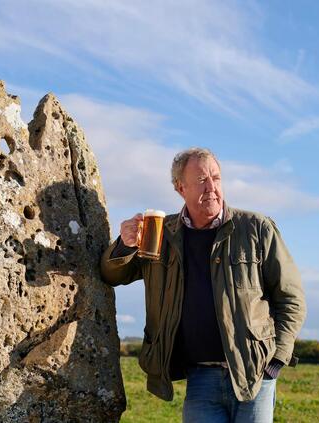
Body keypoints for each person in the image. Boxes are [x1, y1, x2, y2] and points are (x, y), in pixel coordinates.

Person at [100, 147, 306, 422]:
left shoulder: (257, 228)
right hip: (201, 377)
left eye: (216, 178)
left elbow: (291, 298)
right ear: (180, 187)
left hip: (255, 373)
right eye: (201, 180)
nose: (211, 187)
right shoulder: (160, 234)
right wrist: (124, 244)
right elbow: (113, 275)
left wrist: (277, 358)